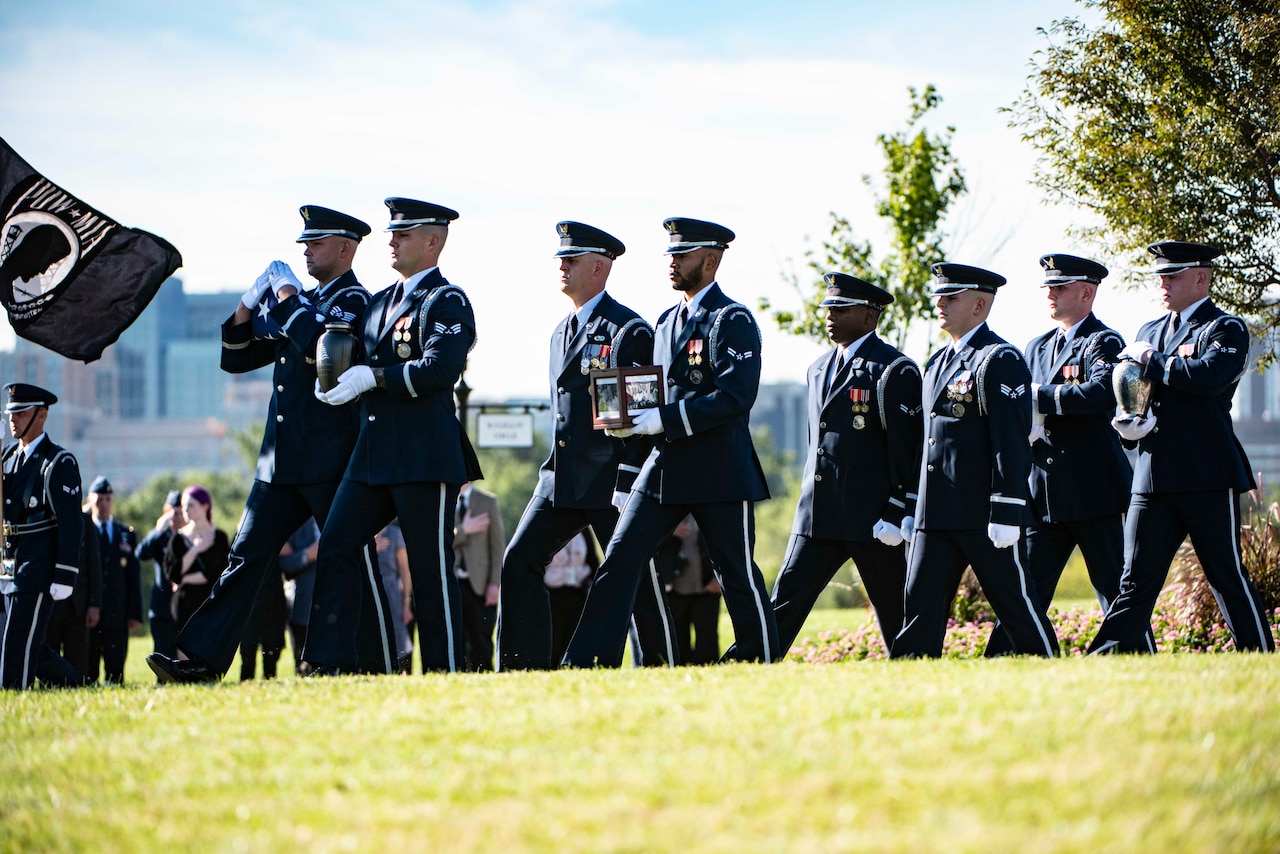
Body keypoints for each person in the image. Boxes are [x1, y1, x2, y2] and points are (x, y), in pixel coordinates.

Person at [147, 205, 397, 684]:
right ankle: (201, 661)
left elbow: (320, 346)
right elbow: (237, 357)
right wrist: (247, 302)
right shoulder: (297, 303)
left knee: (348, 559)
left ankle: (356, 660)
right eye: (303, 242)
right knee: (244, 558)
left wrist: (285, 296)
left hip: (328, 459)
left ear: (346, 248)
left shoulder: (355, 302)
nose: (305, 250)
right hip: (278, 463)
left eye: (317, 242)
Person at [563, 217, 780, 667]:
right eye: (671, 255)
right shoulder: (665, 322)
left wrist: (661, 418)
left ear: (712, 260)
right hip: (663, 467)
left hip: (720, 468)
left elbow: (735, 396)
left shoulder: (731, 318)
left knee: (735, 570)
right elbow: (650, 395)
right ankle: (585, 662)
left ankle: (762, 658)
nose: (673, 263)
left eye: (683, 255)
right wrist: (628, 449)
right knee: (620, 558)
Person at [305, 197, 483, 675]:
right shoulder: (380, 301)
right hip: (372, 456)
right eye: (392, 233)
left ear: (433, 241)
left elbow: (441, 368)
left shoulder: (446, 300)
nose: (391, 241)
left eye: (403, 235)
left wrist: (374, 378)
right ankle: (328, 663)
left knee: (430, 573)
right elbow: (342, 350)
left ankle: (445, 672)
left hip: (424, 456)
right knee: (337, 545)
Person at [497, 220, 675, 671]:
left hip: (610, 479)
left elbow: (640, 412)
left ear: (599, 267)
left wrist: (629, 479)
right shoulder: (560, 331)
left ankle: (659, 664)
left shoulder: (627, 329)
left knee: (633, 579)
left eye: (571, 260)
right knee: (519, 561)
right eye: (560, 259)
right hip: (561, 477)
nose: (562, 266)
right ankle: (524, 667)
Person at [1088, 241, 1275, 654]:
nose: (1163, 283)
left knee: (1224, 573)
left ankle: (1258, 652)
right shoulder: (1149, 331)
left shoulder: (1225, 328)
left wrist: (1155, 361)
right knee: (1134, 578)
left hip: (1206, 472)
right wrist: (1127, 426)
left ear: (1201, 278)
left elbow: (1210, 377)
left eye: (1172, 276)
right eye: (1161, 276)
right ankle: (1107, 658)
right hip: (1152, 473)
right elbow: (1135, 393)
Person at [890, 263, 1059, 659]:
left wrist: (1007, 510)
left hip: (982, 514)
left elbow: (1010, 442)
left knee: (1016, 604)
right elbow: (927, 444)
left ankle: (1050, 665)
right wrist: (913, 505)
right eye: (940, 296)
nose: (939, 303)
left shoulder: (998, 359)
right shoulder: (935, 363)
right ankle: (908, 680)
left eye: (951, 297)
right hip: (936, 515)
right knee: (919, 612)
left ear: (980, 304)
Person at [752, 273, 922, 656]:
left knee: (895, 611)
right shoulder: (817, 368)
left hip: (872, 519)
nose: (830, 316)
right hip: (818, 517)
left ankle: (915, 667)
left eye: (840, 308)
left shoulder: (894, 370)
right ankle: (749, 662)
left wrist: (898, 510)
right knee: (783, 604)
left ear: (869, 316)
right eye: (828, 307)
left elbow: (907, 450)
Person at [985, 254, 1139, 655]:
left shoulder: (1103, 341)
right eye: (1048, 287)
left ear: (1087, 292)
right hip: (1044, 491)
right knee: (1026, 589)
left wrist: (1041, 396)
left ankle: (1137, 654)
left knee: (1113, 588)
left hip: (1093, 490)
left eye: (1061, 287)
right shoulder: (1035, 347)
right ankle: (1000, 657)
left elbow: (1102, 392)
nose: (1050, 294)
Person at [1, 383, 84, 691]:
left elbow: (72, 524)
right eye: (11, 413)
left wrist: (65, 574)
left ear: (41, 414)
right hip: (10, 562)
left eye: (21, 412)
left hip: (38, 564)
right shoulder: (7, 457)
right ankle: (76, 685)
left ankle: (13, 695)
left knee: (19, 640)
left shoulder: (58, 462)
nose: (14, 419)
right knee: (25, 640)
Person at [86, 476, 142, 683]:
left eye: (108, 498)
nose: (103, 504)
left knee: (116, 666)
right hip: (90, 610)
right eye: (99, 499)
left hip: (117, 610)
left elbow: (132, 576)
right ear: (90, 500)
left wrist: (134, 613)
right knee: (88, 666)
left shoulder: (124, 533)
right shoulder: (83, 530)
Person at [43, 507, 102, 680]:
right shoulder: (44, 518)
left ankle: (76, 685)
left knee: (78, 661)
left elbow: (93, 566)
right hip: (50, 603)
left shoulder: (84, 521)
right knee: (49, 657)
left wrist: (94, 604)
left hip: (78, 605)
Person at [453, 482, 504, 671]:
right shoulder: (444, 500)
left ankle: (484, 675)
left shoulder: (488, 501)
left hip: (480, 585)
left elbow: (497, 546)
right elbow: (439, 539)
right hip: (453, 583)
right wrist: (464, 530)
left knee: (481, 637)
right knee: (456, 638)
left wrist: (494, 583)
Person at [164, 486, 230, 631]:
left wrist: (186, 579)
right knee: (182, 650)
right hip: (184, 604)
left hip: (211, 602)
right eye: (183, 506)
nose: (185, 509)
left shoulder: (219, 537)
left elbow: (217, 573)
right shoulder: (178, 539)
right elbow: (173, 573)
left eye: (190, 505)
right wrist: (195, 550)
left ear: (205, 506)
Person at [666, 516, 722, 665]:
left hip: (707, 589)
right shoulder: (665, 508)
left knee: (708, 646)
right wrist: (669, 530)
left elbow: (727, 543)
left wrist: (720, 579)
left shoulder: (711, 508)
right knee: (677, 647)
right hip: (673, 590)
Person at [135, 490, 183, 658]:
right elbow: (141, 553)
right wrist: (157, 531)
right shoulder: (161, 536)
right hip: (163, 605)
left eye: (180, 512)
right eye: (173, 513)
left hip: (185, 605)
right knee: (163, 654)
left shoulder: (191, 536)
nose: (177, 517)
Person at [541, 532, 596, 666]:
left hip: (577, 594)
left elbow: (593, 561)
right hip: (551, 595)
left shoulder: (585, 531)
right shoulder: (545, 528)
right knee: (553, 640)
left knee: (576, 638)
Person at [279, 520, 320, 673]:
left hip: (334, 607)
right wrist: (307, 555)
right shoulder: (298, 525)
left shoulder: (339, 519)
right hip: (303, 605)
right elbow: (285, 563)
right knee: (301, 658)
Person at [373, 521, 413, 672]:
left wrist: (406, 604)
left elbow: (404, 571)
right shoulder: (363, 535)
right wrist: (371, 548)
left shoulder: (395, 535)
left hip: (392, 596)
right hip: (369, 592)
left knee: (397, 641)